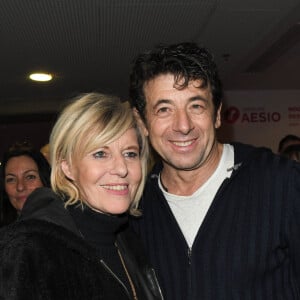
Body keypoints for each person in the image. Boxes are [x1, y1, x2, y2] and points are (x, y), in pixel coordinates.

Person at [128, 42, 300, 299]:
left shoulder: (282, 183)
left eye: (196, 106)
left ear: (217, 114)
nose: (183, 125)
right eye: (164, 109)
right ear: (142, 122)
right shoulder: (134, 207)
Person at [0, 93, 163, 300]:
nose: (122, 168)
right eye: (100, 154)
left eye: (130, 153)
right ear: (66, 166)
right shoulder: (30, 252)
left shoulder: (130, 241)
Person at [0, 141, 51, 226]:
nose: (20, 187)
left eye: (30, 177)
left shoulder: (69, 225)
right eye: (11, 179)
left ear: (45, 180)